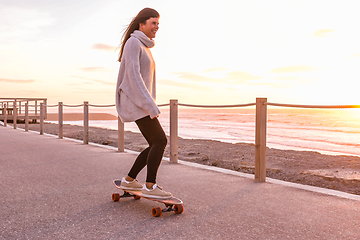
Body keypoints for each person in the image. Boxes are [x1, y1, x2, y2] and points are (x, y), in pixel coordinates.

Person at [115, 8, 172, 199]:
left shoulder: (143, 46)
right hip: (137, 103)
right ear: (142, 24)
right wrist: (149, 104)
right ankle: (150, 185)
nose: (156, 27)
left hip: (141, 102)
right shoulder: (134, 43)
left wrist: (149, 102)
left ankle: (130, 180)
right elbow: (133, 77)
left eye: (158, 24)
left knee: (154, 143)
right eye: (153, 23)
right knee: (160, 140)